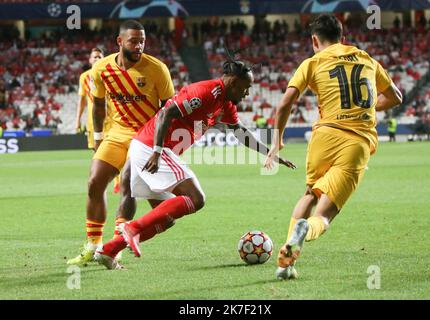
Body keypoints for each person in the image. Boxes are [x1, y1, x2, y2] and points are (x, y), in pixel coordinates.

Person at [93, 59, 296, 269]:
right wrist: (157, 152)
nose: (247, 94)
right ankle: (132, 229)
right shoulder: (205, 93)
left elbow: (240, 132)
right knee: (196, 198)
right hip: (152, 149)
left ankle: (108, 251)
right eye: (246, 88)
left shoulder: (224, 104)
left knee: (165, 218)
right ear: (234, 82)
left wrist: (270, 152)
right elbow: (165, 113)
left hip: (149, 149)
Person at [264, 14, 403, 280]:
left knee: (310, 194)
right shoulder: (367, 59)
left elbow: (284, 104)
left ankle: (286, 264)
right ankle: (306, 231)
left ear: (315, 40)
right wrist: (366, 107)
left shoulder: (312, 62)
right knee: (324, 217)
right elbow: (395, 96)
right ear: (342, 36)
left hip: (323, 136)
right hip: (356, 142)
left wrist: (277, 142)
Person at [67, 20, 175, 265]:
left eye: (142, 41)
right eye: (134, 41)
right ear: (119, 42)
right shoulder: (102, 68)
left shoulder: (158, 69)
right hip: (115, 134)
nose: (139, 46)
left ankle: (113, 249)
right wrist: (97, 138)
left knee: (128, 185)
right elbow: (96, 104)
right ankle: (93, 246)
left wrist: (160, 148)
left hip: (145, 138)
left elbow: (169, 111)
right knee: (95, 182)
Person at [74, 48, 122, 193]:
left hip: (111, 121)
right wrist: (77, 121)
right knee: (97, 153)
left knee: (114, 152)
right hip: (92, 123)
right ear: (89, 60)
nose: (96, 59)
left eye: (99, 57)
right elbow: (82, 100)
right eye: (94, 57)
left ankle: (118, 182)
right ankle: (101, 180)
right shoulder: (84, 77)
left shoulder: (110, 75)